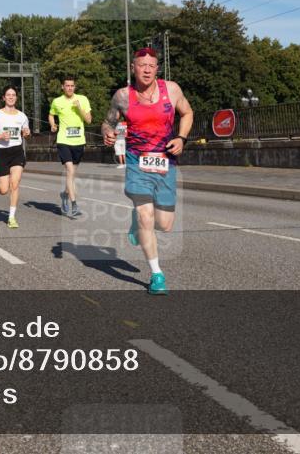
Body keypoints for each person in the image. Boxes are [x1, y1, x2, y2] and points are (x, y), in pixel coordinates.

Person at [102, 47, 193, 296]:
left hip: (165, 162)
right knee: (146, 216)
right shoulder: (122, 96)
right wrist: (108, 133)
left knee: (164, 225)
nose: (147, 69)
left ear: (157, 69)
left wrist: (182, 138)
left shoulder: (171, 90)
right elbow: (108, 122)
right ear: (133, 67)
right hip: (136, 161)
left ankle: (136, 221)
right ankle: (156, 274)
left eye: (151, 65)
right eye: (142, 65)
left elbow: (187, 112)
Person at [0, 86, 30, 229]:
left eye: (13, 95)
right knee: (4, 190)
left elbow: (25, 132)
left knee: (15, 184)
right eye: (8, 95)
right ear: (4, 98)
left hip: (17, 151)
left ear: (16, 97)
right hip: (2, 152)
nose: (11, 97)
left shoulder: (22, 116)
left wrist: (27, 133)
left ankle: (11, 217)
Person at [49, 76, 91, 218]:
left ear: (75, 87)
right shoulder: (57, 101)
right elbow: (51, 114)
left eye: (72, 86)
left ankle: (65, 195)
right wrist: (52, 124)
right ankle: (74, 205)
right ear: (63, 87)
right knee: (70, 170)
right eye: (67, 86)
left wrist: (79, 107)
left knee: (72, 175)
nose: (70, 88)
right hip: (63, 141)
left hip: (79, 141)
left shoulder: (83, 99)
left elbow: (89, 120)